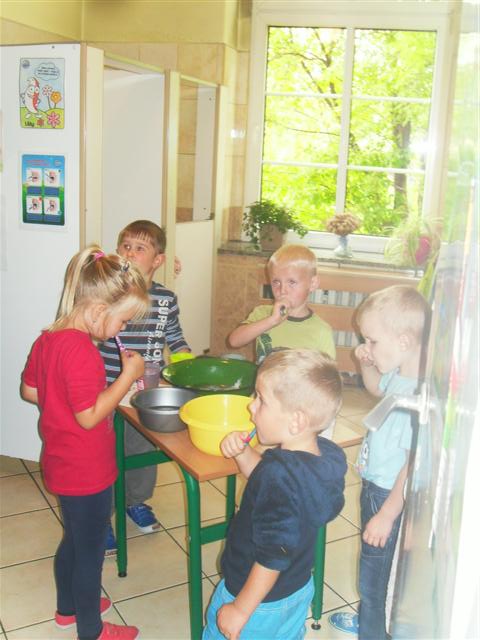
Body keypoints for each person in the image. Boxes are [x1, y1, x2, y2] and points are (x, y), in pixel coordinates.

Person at [21, 246, 149, 640]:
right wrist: (126, 378)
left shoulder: (48, 339)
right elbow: (90, 416)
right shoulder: (83, 353)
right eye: (122, 320)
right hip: (87, 470)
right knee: (90, 553)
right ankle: (91, 629)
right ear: (97, 311)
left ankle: (68, 609)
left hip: (61, 462)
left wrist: (62, 401)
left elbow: (30, 391)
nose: (122, 329)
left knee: (75, 540)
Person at [203, 349, 347, 640]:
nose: (251, 406)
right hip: (295, 589)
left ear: (296, 421)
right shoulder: (322, 459)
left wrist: (240, 609)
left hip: (254, 599)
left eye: (261, 399)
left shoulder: (279, 475)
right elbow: (272, 484)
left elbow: (273, 554)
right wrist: (244, 453)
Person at [328, 285, 430, 640]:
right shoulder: (402, 376)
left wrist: (387, 513)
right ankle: (371, 620)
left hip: (388, 495)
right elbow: (376, 389)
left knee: (372, 579)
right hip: (377, 486)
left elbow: (413, 462)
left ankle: (372, 629)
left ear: (403, 341)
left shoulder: (417, 396)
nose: (366, 346)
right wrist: (365, 362)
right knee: (374, 569)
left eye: (372, 341)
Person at [98, 220, 190, 548]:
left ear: (158, 260)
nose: (130, 253)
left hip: (145, 393)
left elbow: (175, 338)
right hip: (108, 389)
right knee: (105, 454)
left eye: (140, 248)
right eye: (126, 246)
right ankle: (102, 516)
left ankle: (135, 500)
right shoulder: (109, 294)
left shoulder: (166, 298)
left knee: (141, 449)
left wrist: (186, 363)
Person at [228, 244, 335, 364]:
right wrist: (272, 321)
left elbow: (328, 373)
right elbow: (234, 341)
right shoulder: (262, 313)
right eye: (276, 282)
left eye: (292, 282)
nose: (282, 290)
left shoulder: (321, 331)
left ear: (313, 284)